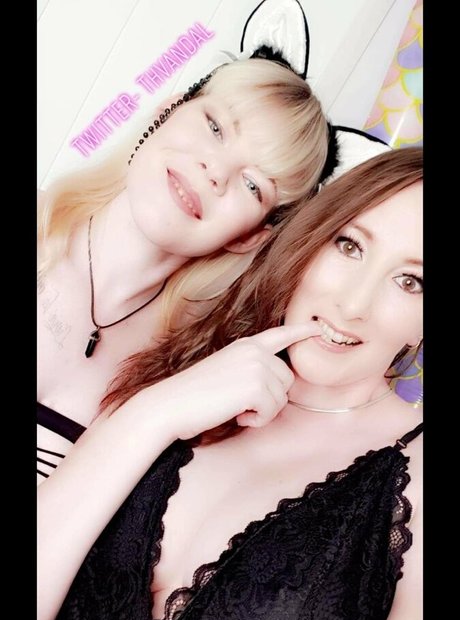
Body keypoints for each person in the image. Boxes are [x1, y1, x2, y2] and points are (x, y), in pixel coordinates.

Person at [38, 147, 423, 620]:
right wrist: (153, 414)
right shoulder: (188, 359)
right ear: (311, 238)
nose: (353, 303)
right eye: (349, 245)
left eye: (410, 281)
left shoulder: (414, 478)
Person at [37, 55, 332, 482]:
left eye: (253, 185)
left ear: (250, 236)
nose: (217, 172)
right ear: (167, 110)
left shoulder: (185, 369)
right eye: (216, 127)